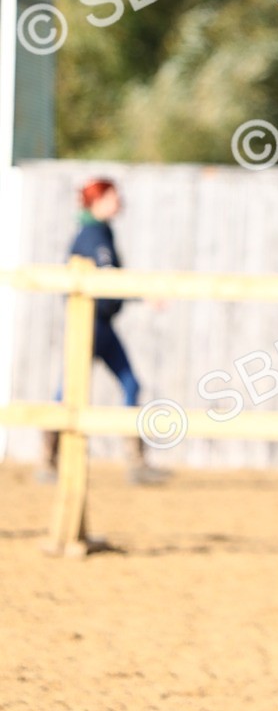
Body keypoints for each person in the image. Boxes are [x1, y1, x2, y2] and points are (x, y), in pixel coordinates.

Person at [41, 177, 164, 484]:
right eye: (113, 196)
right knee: (72, 391)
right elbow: (107, 278)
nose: (119, 201)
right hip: (91, 325)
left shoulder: (99, 231)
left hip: (100, 325)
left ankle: (133, 463)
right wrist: (143, 294)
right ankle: (49, 461)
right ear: (98, 200)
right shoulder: (93, 234)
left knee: (127, 384)